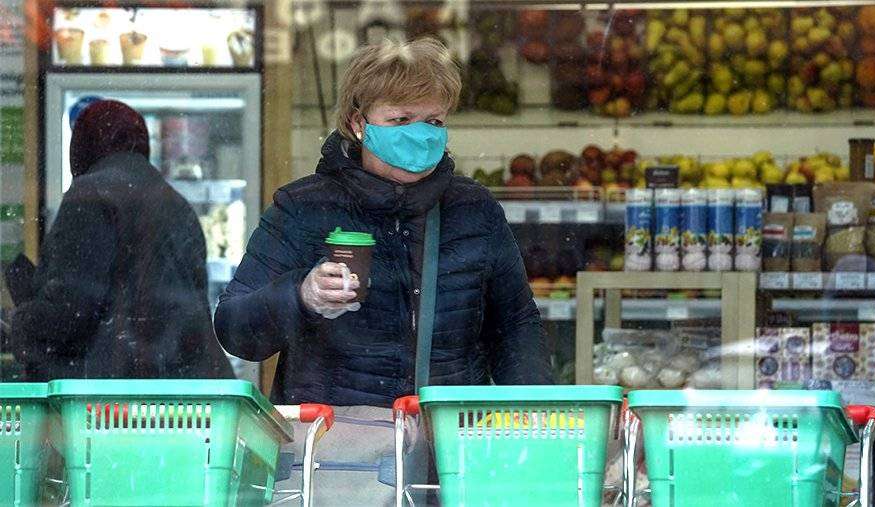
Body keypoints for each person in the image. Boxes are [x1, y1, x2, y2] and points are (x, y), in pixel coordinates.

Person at [215, 38, 551, 407]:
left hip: (445, 431)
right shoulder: (303, 207)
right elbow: (235, 330)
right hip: (334, 436)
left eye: (434, 121)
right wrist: (301, 295)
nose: (420, 135)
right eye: (401, 119)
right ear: (358, 123)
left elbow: (516, 325)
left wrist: (530, 412)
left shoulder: (475, 209)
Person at [11, 99, 233, 380]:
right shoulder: (177, 204)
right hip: (181, 385)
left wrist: (22, 321)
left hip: (113, 391)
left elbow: (71, 310)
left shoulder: (90, 195)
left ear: (82, 147)